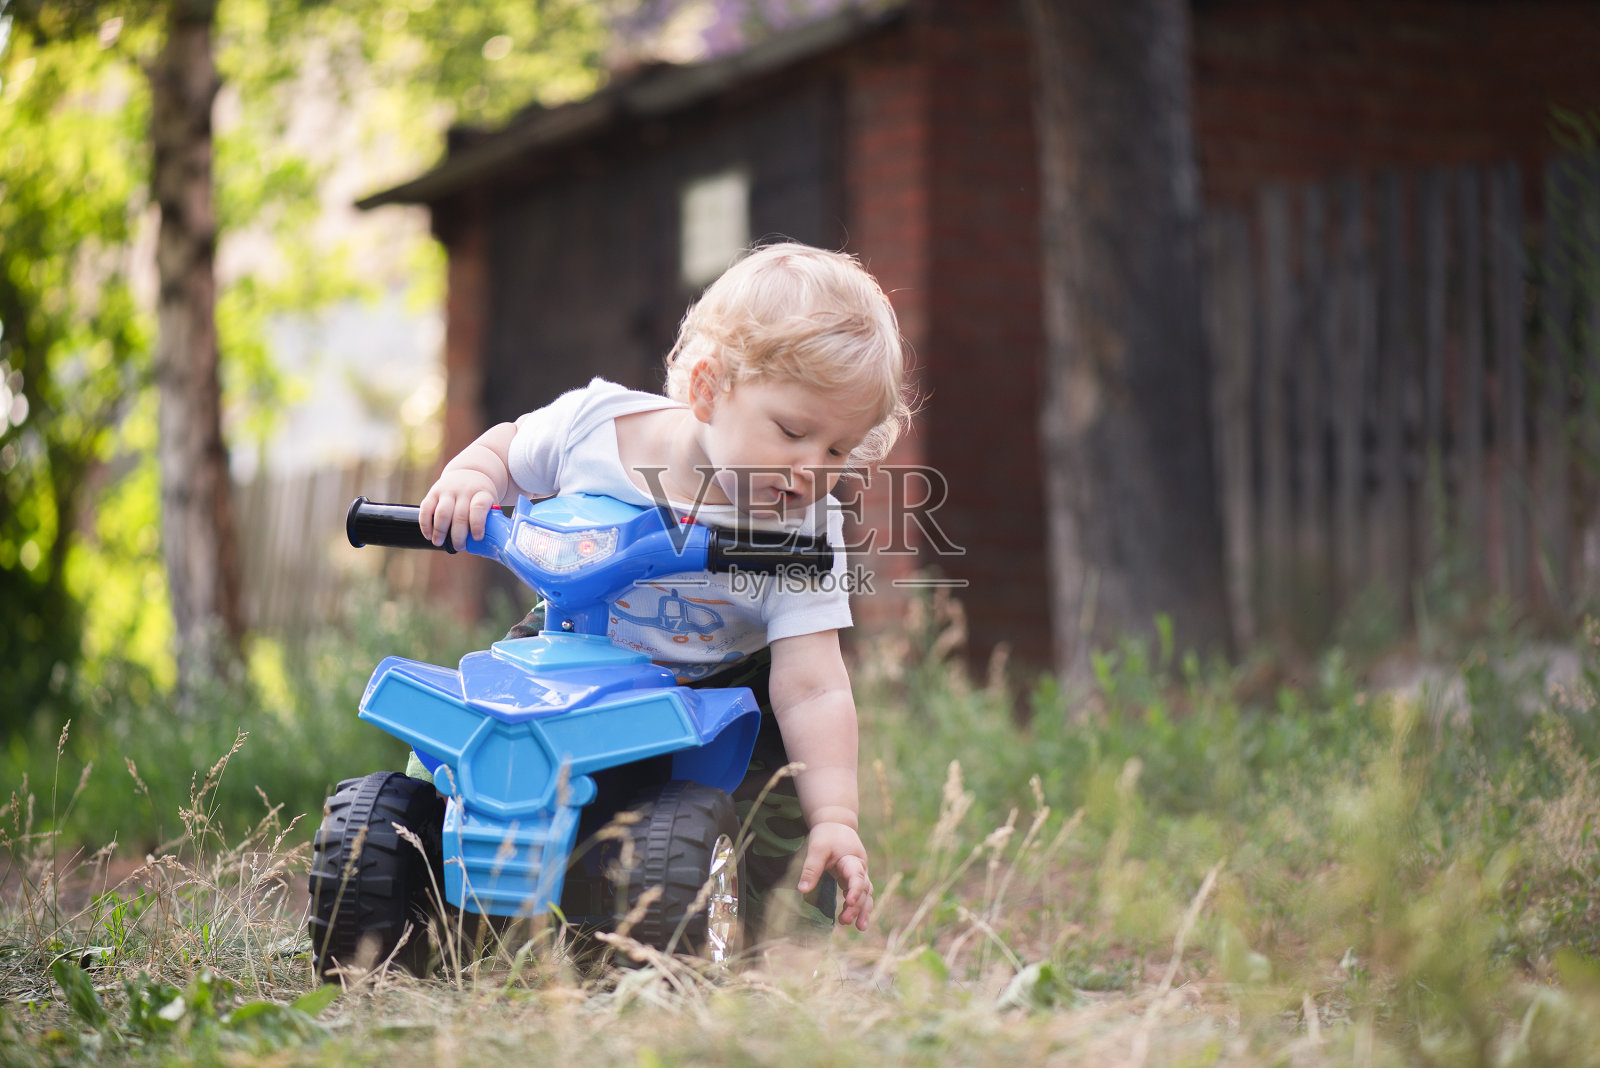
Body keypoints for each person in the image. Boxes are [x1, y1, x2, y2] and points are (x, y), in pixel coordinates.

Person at [417, 242, 911, 937]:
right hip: (574, 643)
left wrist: (837, 816)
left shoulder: (802, 530)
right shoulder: (596, 428)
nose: (811, 469)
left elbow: (813, 685)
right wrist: (472, 478)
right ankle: (430, 864)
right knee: (474, 736)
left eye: (837, 450)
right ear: (708, 390)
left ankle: (739, 933)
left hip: (722, 679)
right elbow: (508, 448)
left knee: (769, 811)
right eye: (793, 431)